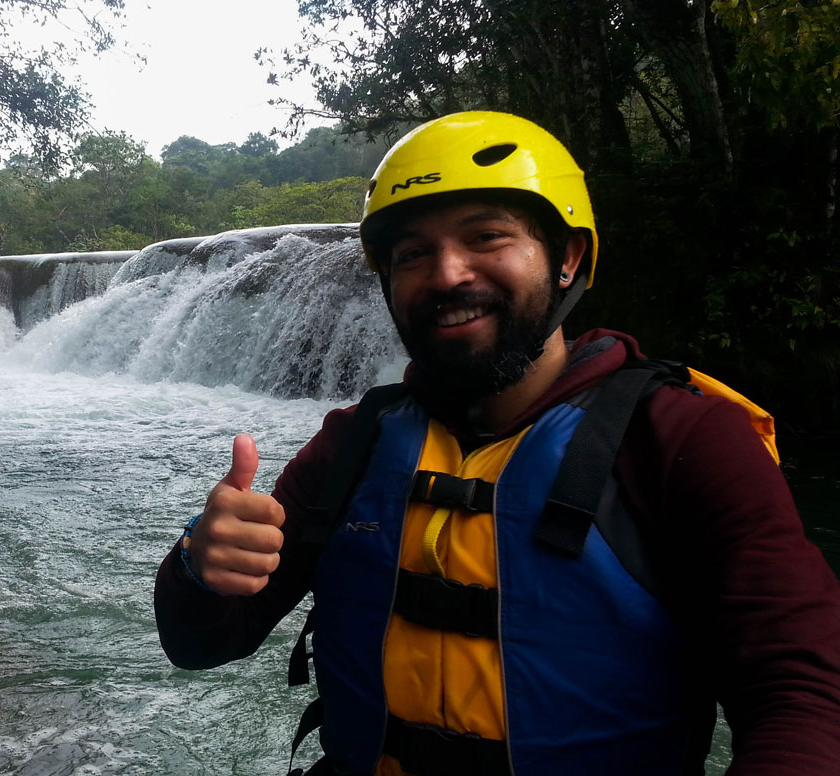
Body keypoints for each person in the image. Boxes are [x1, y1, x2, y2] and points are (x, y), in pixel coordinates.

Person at [153, 111, 840, 775]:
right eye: (413, 253)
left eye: (485, 237)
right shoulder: (352, 444)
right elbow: (202, 643)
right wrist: (197, 566)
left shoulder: (680, 437)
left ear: (567, 257)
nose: (448, 274)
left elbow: (805, 691)